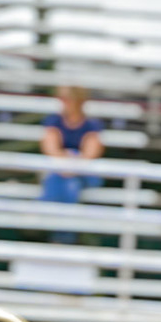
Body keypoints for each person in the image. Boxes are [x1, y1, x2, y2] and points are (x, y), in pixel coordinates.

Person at [38, 86, 106, 243]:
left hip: (84, 173)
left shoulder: (91, 125)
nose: (63, 103)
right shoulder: (54, 121)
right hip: (62, 171)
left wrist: (72, 163)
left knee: (66, 179)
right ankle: (64, 236)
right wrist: (66, 162)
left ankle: (45, 211)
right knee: (69, 183)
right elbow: (50, 148)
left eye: (67, 99)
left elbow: (90, 153)